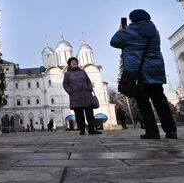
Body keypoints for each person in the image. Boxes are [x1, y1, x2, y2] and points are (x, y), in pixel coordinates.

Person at [110, 9, 177, 139]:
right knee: (160, 100)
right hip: (156, 70)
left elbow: (114, 42)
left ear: (132, 20)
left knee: (143, 101)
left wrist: (121, 30)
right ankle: (171, 130)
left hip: (138, 73)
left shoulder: (130, 31)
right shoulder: (154, 31)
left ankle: (152, 131)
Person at [62, 57, 101, 135]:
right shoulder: (67, 74)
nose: (74, 63)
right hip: (76, 96)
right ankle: (82, 129)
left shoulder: (82, 71)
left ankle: (91, 129)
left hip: (86, 95)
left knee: (89, 113)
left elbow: (88, 80)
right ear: (69, 64)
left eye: (75, 61)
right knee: (79, 114)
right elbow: (65, 84)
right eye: (72, 62)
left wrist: (89, 88)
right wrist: (71, 92)